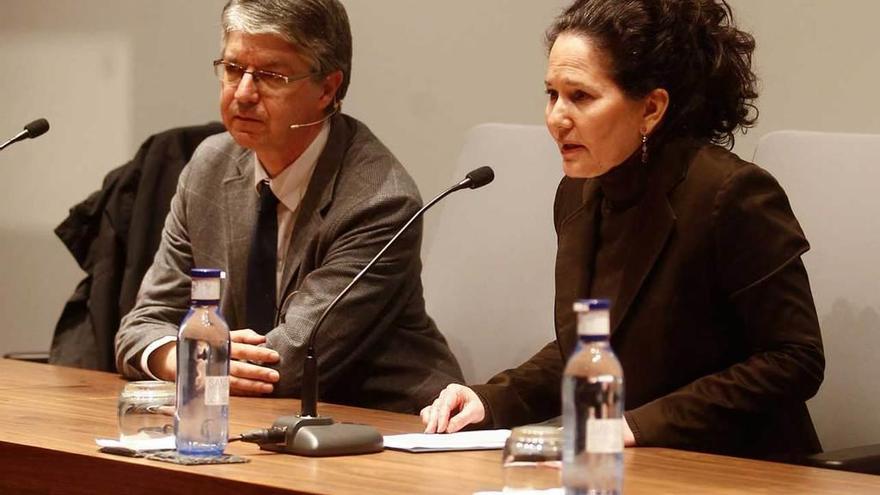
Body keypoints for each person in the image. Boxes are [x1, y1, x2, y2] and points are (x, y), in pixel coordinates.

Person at [421, 0, 824, 460]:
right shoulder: (578, 195)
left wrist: (636, 425)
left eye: (581, 96)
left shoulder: (730, 194)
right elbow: (593, 345)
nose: (556, 118)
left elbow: (793, 360)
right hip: (632, 464)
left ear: (651, 108)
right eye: (552, 94)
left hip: (739, 466)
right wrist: (491, 399)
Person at [115, 0, 463, 414]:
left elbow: (291, 363)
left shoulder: (379, 200)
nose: (243, 93)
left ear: (328, 89)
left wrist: (200, 356)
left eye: (270, 75)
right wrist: (180, 357)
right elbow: (141, 326)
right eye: (232, 69)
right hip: (252, 420)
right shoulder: (209, 168)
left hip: (379, 424)